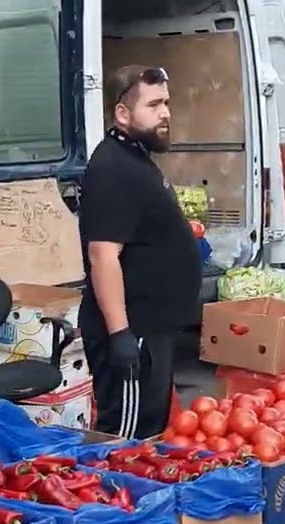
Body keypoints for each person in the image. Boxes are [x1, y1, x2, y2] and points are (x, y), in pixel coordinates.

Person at [77, 65, 201, 440]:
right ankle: (110, 499)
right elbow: (103, 256)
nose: (165, 113)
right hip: (134, 332)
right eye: (154, 105)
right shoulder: (112, 167)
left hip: (153, 330)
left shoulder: (135, 158)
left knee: (149, 431)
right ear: (122, 113)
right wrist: (121, 335)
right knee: (123, 441)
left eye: (166, 103)